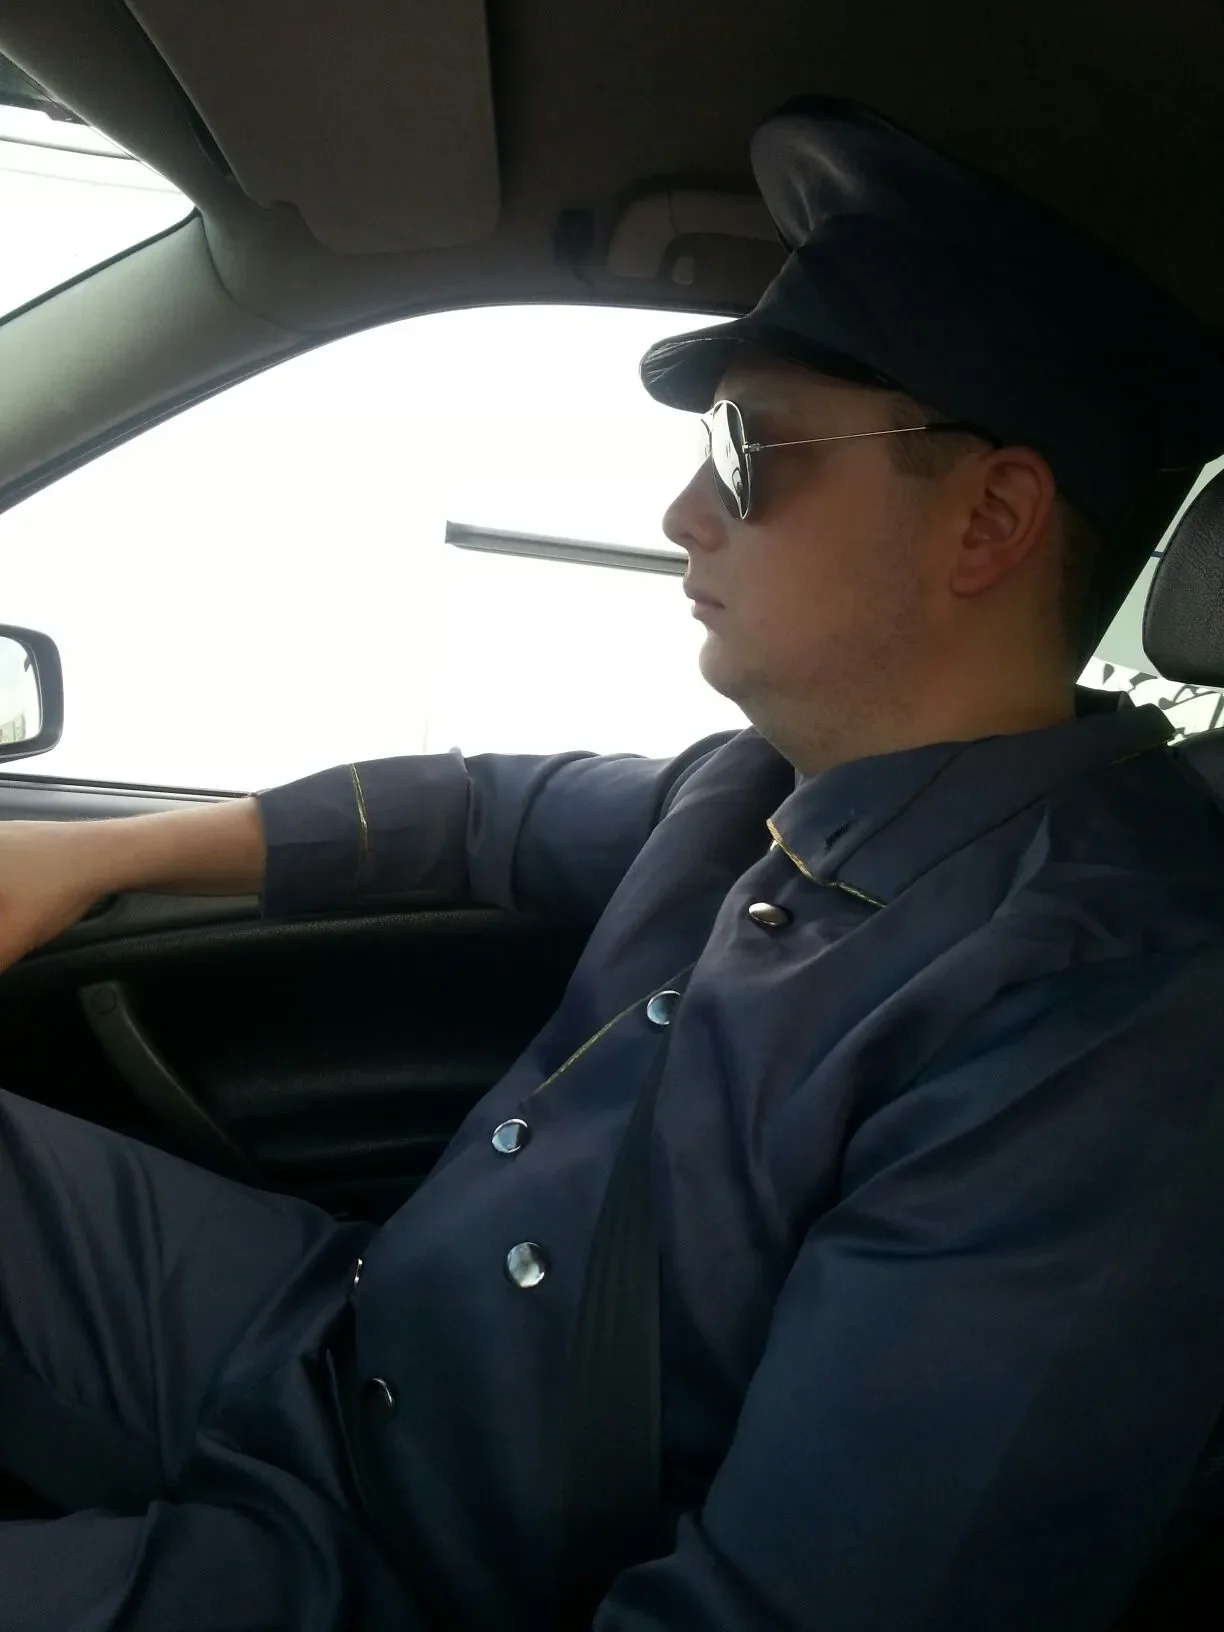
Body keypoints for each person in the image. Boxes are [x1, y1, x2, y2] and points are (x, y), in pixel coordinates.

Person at [3, 93, 1224, 1632]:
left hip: (418, 1579)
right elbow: (481, 811)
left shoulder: (1105, 1020)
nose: (681, 514)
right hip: (330, 1340)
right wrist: (84, 858)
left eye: (751, 451)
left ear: (989, 518)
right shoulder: (762, 790)